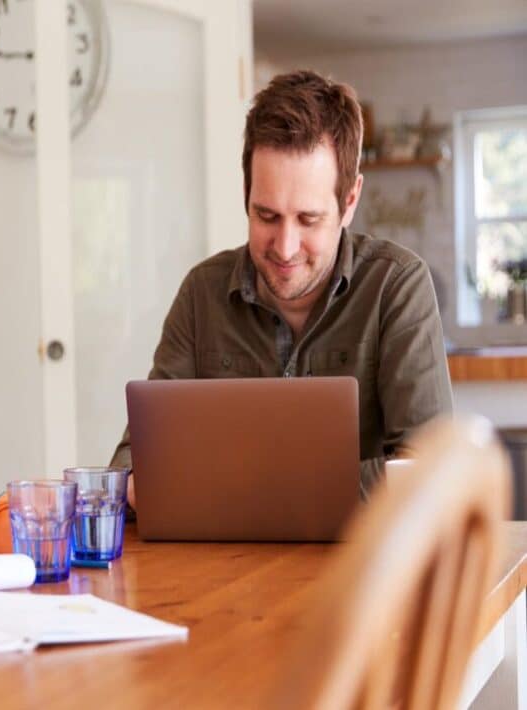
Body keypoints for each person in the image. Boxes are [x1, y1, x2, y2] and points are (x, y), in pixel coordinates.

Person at [111, 70, 453, 501]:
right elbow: (132, 466)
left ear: (350, 202)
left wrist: (256, 488)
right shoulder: (202, 293)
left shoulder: (397, 286)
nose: (285, 248)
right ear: (245, 195)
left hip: (364, 564)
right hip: (224, 565)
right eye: (266, 216)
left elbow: (431, 473)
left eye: (308, 219)